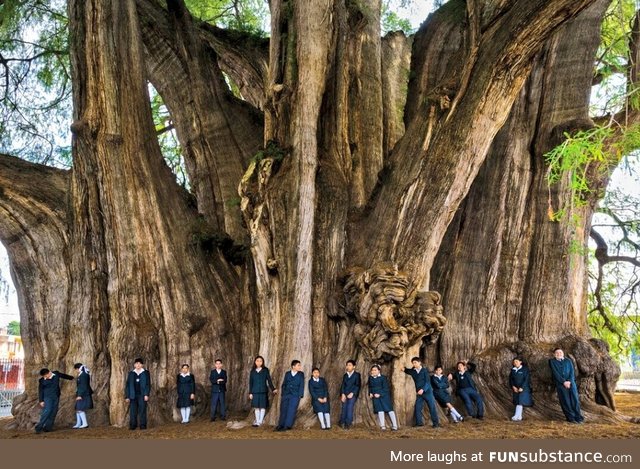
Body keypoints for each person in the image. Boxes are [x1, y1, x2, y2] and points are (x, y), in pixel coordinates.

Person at [548, 348, 584, 424]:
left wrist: (569, 381)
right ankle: (570, 418)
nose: (559, 354)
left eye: (560, 352)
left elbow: (572, 372)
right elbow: (555, 373)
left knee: (575, 400)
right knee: (565, 401)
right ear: (554, 354)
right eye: (557, 353)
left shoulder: (568, 361)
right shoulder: (552, 362)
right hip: (560, 384)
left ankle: (578, 417)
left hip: (571, 383)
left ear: (563, 353)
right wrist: (563, 382)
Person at [403, 357, 440, 428]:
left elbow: (428, 382)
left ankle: (436, 423)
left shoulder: (424, 370)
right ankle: (419, 423)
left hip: (427, 392)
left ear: (419, 362)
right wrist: (403, 369)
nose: (414, 364)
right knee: (417, 407)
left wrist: (423, 389)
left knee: (432, 407)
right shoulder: (413, 371)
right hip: (419, 394)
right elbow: (407, 370)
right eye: (413, 363)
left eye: (415, 362)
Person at [35, 368, 73, 434]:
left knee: (54, 412)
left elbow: (64, 375)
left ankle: (48, 428)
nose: (45, 377)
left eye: (46, 376)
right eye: (44, 376)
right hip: (47, 397)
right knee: (48, 410)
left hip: (56, 397)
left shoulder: (56, 374)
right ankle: (39, 427)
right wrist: (41, 400)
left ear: (49, 372)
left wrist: (72, 378)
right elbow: (40, 390)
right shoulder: (41, 380)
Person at [275, 360, 305, 431]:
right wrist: (283, 393)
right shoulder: (287, 373)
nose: (299, 367)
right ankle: (280, 425)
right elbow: (284, 384)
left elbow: (301, 385)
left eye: (300, 365)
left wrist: (300, 395)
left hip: (295, 395)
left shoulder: (301, 374)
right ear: (293, 366)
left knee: (291, 410)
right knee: (283, 409)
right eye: (298, 365)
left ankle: (287, 425)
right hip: (286, 394)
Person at [367, 364, 398, 431]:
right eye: (372, 370)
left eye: (375, 370)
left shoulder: (383, 378)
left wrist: (380, 394)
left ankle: (395, 425)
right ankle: (382, 426)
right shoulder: (370, 378)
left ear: (379, 371)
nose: (374, 371)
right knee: (380, 410)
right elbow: (370, 387)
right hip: (375, 396)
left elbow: (386, 388)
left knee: (389, 410)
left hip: (384, 396)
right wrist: (370, 393)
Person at [249, 355, 277, 427]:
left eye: (260, 361)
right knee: (256, 407)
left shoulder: (265, 370)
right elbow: (251, 382)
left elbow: (269, 380)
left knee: (262, 406)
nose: (259, 362)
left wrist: (273, 389)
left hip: (263, 390)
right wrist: (250, 392)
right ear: (255, 362)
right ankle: (257, 421)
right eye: (257, 361)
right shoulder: (252, 371)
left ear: (263, 362)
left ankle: (260, 422)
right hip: (255, 391)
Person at [125, 357, 151, 430]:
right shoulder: (131, 373)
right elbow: (127, 385)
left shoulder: (145, 373)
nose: (138, 365)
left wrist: (146, 394)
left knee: (142, 410)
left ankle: (143, 425)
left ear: (142, 365)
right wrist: (127, 396)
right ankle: (133, 425)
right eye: (136, 363)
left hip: (142, 395)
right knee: (133, 411)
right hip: (133, 395)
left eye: (140, 363)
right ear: (134, 365)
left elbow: (148, 384)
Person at [339, 359, 361, 429]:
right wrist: (342, 394)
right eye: (347, 365)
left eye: (349, 365)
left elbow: (358, 385)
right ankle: (342, 421)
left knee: (349, 408)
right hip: (345, 394)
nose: (347, 367)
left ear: (354, 366)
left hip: (352, 394)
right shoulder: (345, 375)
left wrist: (352, 393)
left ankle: (347, 423)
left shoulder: (357, 375)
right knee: (344, 407)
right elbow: (343, 385)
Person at [509, 357, 533, 421]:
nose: (515, 363)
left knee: (520, 401)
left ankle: (516, 415)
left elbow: (526, 379)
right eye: (514, 362)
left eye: (516, 361)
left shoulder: (525, 369)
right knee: (517, 401)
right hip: (516, 388)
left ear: (520, 362)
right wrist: (513, 386)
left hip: (524, 388)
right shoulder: (513, 370)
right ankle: (519, 416)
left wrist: (522, 387)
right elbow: (511, 379)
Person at [73, 363, 93, 429]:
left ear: (78, 368)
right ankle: (79, 423)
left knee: (80, 409)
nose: (76, 371)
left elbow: (83, 386)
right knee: (78, 409)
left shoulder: (83, 375)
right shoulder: (82, 374)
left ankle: (85, 423)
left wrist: (80, 395)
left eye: (76, 369)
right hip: (81, 393)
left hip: (84, 394)